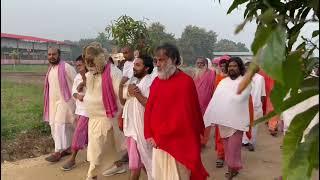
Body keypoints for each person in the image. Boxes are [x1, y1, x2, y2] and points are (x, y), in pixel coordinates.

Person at [144, 43, 209, 180]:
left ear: (173, 60)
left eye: (161, 60)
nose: (157, 64)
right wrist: (149, 133)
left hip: (180, 143)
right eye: (156, 60)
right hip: (159, 142)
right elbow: (149, 109)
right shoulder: (156, 82)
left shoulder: (186, 82)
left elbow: (190, 115)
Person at [204, 57, 251, 179]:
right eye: (230, 66)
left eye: (234, 66)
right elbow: (215, 100)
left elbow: (239, 99)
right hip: (223, 122)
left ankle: (231, 170)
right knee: (228, 148)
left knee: (233, 148)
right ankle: (234, 168)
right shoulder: (223, 83)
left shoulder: (245, 82)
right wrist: (211, 115)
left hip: (237, 122)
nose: (231, 68)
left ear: (240, 68)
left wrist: (226, 101)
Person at [82, 42, 122, 180]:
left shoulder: (113, 73)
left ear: (99, 60)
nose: (90, 66)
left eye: (92, 63)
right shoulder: (90, 74)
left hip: (107, 118)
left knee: (96, 150)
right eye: (88, 63)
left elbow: (121, 93)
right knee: (108, 147)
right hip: (93, 119)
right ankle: (118, 165)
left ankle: (91, 175)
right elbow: (91, 92)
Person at [102, 46, 135, 177]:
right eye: (124, 53)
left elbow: (129, 81)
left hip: (133, 98)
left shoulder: (136, 64)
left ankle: (132, 157)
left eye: (127, 52)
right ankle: (129, 154)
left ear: (133, 52)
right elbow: (122, 83)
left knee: (132, 130)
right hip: (124, 100)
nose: (125, 55)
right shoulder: (125, 64)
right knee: (126, 129)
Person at [120, 55, 154, 180]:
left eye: (138, 65)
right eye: (134, 65)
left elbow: (150, 105)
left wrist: (136, 94)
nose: (134, 68)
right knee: (142, 162)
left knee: (146, 161)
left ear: (147, 68)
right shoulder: (134, 81)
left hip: (142, 129)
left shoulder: (150, 82)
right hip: (131, 128)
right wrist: (121, 85)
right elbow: (123, 102)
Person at [43, 47, 76, 162]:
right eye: (49, 54)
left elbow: (77, 81)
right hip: (53, 102)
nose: (51, 56)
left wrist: (78, 97)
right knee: (54, 124)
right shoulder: (50, 70)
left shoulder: (66, 67)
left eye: (54, 54)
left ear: (59, 55)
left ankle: (58, 151)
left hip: (65, 100)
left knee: (60, 125)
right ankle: (68, 148)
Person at [60, 55, 89, 170]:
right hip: (80, 110)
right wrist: (78, 95)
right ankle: (91, 156)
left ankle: (72, 159)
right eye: (77, 66)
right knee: (85, 134)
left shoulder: (92, 76)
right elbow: (74, 92)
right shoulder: (77, 76)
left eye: (80, 65)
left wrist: (84, 80)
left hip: (89, 110)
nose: (78, 68)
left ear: (86, 64)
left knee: (78, 134)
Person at [241, 59, 266, 151]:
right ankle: (244, 141)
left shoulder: (260, 78)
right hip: (244, 105)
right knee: (244, 123)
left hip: (256, 106)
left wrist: (260, 106)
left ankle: (251, 142)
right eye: (246, 68)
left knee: (254, 126)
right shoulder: (242, 78)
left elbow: (263, 94)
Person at [212, 55, 230, 168]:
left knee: (230, 135)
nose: (223, 68)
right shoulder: (218, 77)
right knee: (219, 134)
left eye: (225, 66)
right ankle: (220, 155)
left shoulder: (233, 78)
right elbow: (215, 93)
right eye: (221, 66)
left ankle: (230, 156)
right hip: (220, 110)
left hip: (231, 111)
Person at [193, 57, 216, 147]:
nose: (199, 65)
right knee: (195, 122)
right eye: (198, 63)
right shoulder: (195, 74)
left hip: (207, 103)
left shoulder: (211, 74)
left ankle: (203, 141)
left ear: (206, 64)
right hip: (195, 103)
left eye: (201, 63)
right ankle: (196, 140)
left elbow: (214, 88)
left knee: (206, 122)